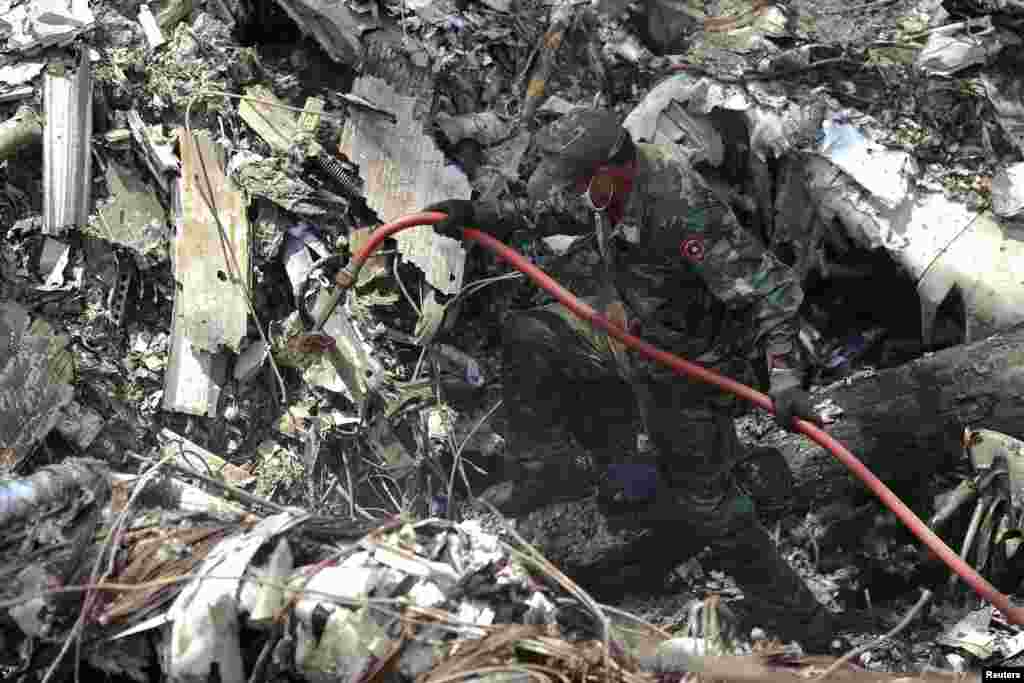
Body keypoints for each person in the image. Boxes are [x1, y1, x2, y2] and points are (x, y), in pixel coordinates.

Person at [422, 108, 842, 651]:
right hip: (636, 336)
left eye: (575, 182)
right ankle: (548, 471)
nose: (570, 193)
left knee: (713, 510)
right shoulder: (601, 184)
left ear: (605, 174)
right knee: (531, 335)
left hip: (695, 368)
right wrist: (476, 214)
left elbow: (774, 292)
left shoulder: (681, 209)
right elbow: (544, 208)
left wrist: (784, 379)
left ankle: (809, 629)